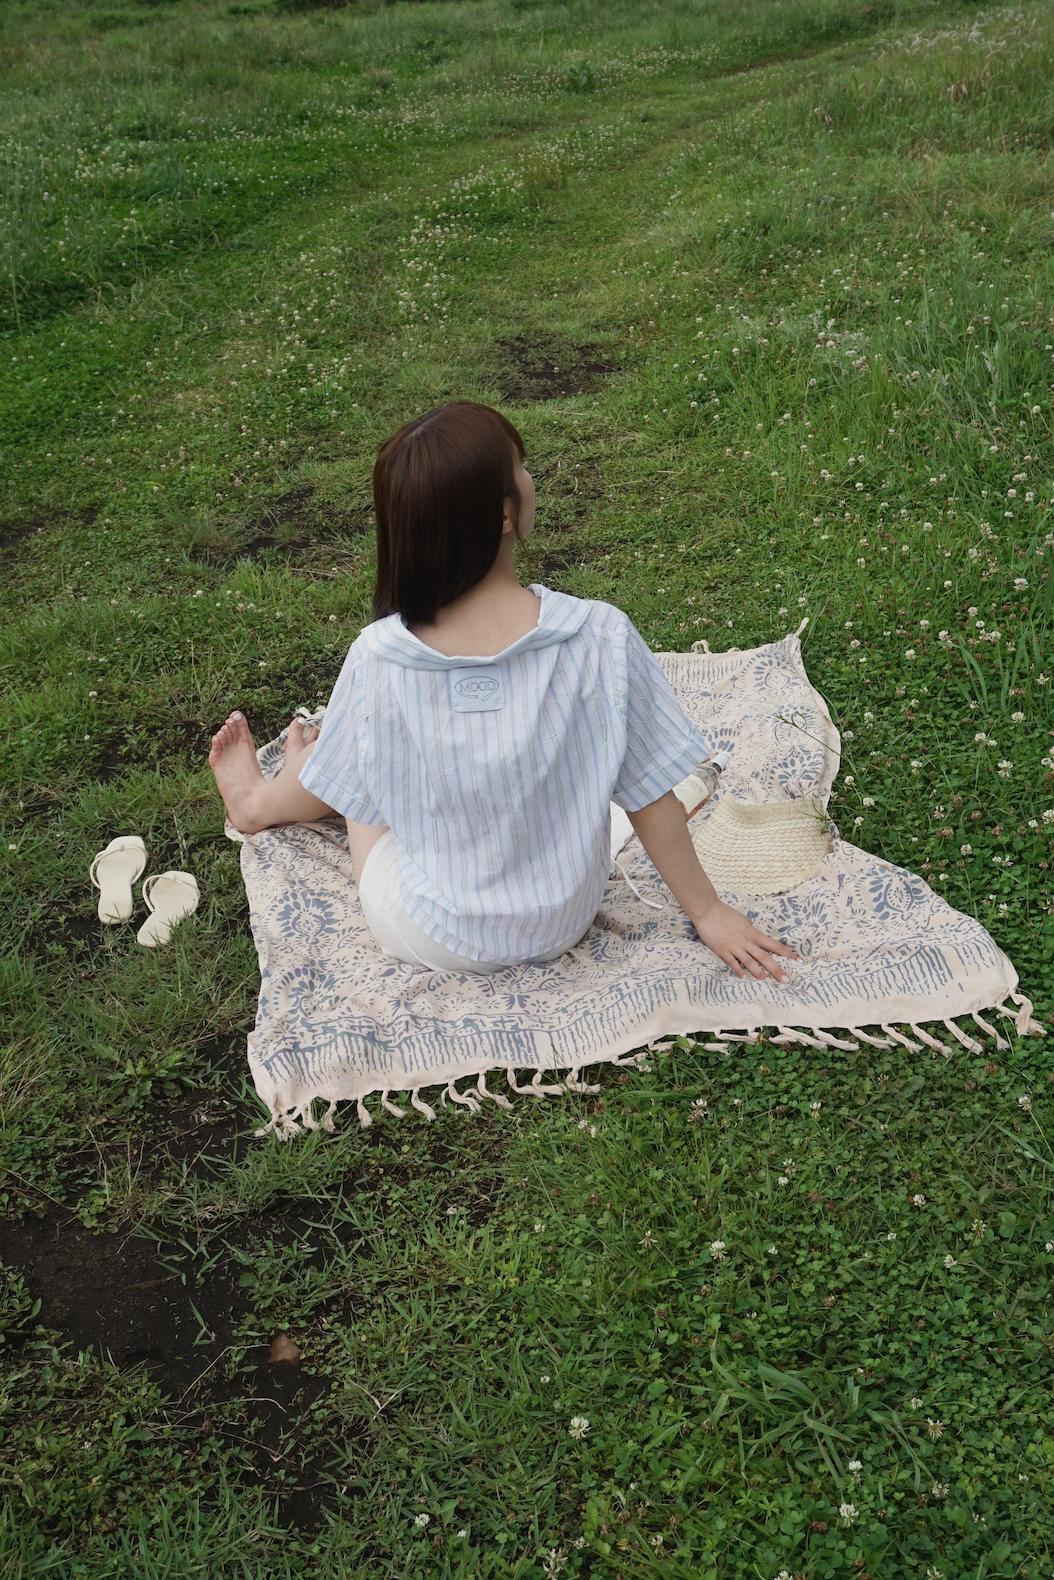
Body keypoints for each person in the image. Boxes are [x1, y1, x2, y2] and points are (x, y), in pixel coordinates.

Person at [209, 400, 799, 983]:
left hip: (431, 932)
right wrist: (708, 912)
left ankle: (261, 801)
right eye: (521, 466)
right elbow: (648, 794)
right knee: (351, 759)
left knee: (352, 770)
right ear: (502, 515)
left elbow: (363, 792)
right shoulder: (601, 637)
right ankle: (286, 782)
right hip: (561, 922)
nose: (530, 477)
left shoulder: (378, 657)